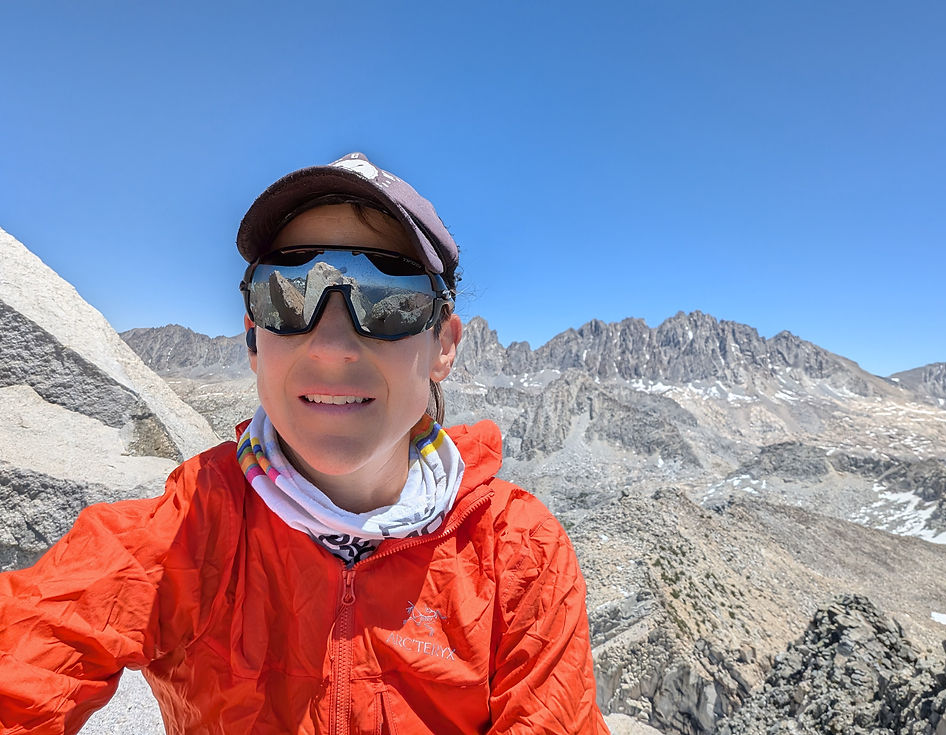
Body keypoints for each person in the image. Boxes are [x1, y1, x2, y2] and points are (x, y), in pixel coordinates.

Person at [0, 152, 609, 734]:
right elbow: (30, 655)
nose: (332, 346)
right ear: (253, 337)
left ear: (443, 346)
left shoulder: (518, 553)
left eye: (389, 300)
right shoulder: (188, 525)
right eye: (287, 293)